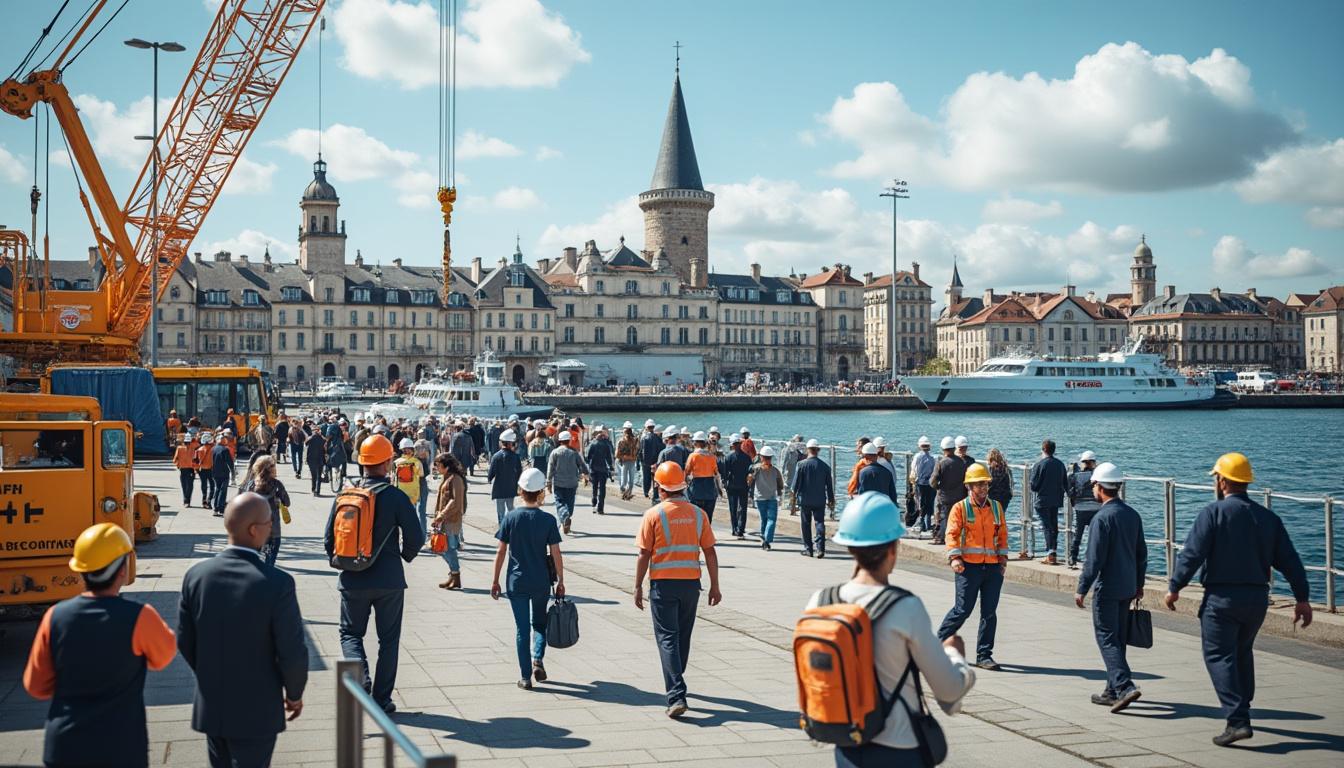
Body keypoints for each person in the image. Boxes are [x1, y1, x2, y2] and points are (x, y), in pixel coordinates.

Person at [808, 492, 976, 768]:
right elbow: (948, 692)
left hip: (846, 747)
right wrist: (955, 654)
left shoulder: (821, 601)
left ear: (849, 547)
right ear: (893, 547)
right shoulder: (905, 608)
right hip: (899, 749)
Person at [1164, 452, 1312, 748]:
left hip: (1221, 599)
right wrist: (1302, 598)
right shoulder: (1267, 518)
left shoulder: (1213, 513)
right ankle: (1244, 705)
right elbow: (1290, 561)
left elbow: (1192, 554)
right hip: (1257, 599)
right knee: (1242, 652)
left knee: (1219, 655)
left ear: (1222, 481)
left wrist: (1175, 586)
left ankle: (1237, 720)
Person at [23, 524, 176, 768]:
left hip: (65, 745)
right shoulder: (140, 617)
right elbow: (163, 658)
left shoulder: (55, 617)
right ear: (122, 569)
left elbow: (36, 686)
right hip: (120, 746)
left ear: (79, 570)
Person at [178, 493, 308, 768]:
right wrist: (294, 693)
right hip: (258, 707)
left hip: (213, 703)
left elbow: (185, 640)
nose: (271, 527)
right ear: (253, 530)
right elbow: (292, 649)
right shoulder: (277, 583)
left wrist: (209, 673)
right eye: (269, 522)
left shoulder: (196, 576)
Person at [323, 434, 423, 714]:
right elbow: (416, 537)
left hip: (352, 579)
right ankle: (382, 699)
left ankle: (361, 679)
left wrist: (345, 562)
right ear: (388, 462)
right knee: (388, 641)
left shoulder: (346, 495)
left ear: (362, 463)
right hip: (389, 579)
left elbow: (328, 540)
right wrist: (404, 555)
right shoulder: (396, 497)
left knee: (350, 635)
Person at [634, 462, 722, 718]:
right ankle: (677, 676)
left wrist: (637, 586)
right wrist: (715, 586)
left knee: (667, 638)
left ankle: (676, 694)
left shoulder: (653, 515)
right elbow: (710, 551)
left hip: (663, 585)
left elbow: (643, 554)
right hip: (690, 585)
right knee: (682, 636)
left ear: (660, 488)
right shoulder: (698, 514)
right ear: (682, 486)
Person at [1072, 462, 1146, 713]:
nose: (1093, 489)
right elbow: (1141, 554)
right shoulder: (1132, 515)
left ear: (1100, 487)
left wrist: (1082, 588)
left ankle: (1124, 686)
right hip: (1127, 586)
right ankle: (1111, 690)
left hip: (1108, 587)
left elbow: (1094, 560)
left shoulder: (1101, 518)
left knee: (1106, 637)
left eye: (1093, 485)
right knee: (1118, 638)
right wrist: (1139, 584)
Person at [491, 467, 565, 689]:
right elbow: (556, 553)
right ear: (541, 492)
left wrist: (495, 580)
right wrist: (561, 580)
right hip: (540, 580)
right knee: (539, 623)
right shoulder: (548, 520)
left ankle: (525, 677)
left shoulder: (510, 517)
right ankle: (537, 659)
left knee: (522, 629)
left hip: (517, 581)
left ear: (520, 491)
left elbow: (501, 551)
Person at [937, 463, 1009, 671]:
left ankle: (984, 655)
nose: (983, 488)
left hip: (992, 568)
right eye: (978, 484)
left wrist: (1003, 560)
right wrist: (955, 558)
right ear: (969, 486)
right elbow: (951, 534)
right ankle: (937, 643)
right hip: (968, 567)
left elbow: (1002, 535)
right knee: (962, 610)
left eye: (985, 484)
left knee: (989, 613)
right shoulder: (960, 508)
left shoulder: (996, 507)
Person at [792, 439, 835, 556]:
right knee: (819, 522)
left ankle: (809, 549)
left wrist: (793, 499)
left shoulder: (801, 465)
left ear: (807, 450)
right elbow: (829, 486)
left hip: (805, 499)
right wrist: (831, 500)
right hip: (820, 499)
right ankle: (820, 549)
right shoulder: (825, 467)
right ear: (818, 450)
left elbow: (795, 485)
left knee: (806, 524)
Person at [1029, 439, 1069, 565]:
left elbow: (1034, 486)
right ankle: (1053, 552)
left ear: (1043, 450)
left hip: (1043, 500)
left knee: (1047, 527)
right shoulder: (1060, 464)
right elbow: (1065, 483)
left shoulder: (1039, 465)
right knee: (1054, 526)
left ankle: (1050, 554)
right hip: (1056, 500)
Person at [432, 453, 467, 590]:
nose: (436, 468)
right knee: (443, 548)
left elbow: (455, 501)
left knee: (448, 549)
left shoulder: (455, 479)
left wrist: (442, 515)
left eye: (438, 465)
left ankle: (455, 576)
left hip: (451, 519)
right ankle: (453, 575)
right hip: (444, 519)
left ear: (446, 466)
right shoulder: (447, 477)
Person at [546, 430, 590, 534]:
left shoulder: (555, 452)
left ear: (560, 441)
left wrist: (548, 482)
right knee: (570, 503)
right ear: (569, 440)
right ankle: (566, 518)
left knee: (559, 502)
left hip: (559, 483)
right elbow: (582, 465)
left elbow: (550, 468)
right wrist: (586, 474)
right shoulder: (574, 453)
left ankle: (564, 517)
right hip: (572, 483)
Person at [1067, 451, 1101, 568]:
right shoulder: (1098, 476)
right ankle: (1095, 559)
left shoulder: (1076, 476)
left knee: (1078, 535)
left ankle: (1073, 558)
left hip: (1080, 509)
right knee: (1096, 536)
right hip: (1096, 509)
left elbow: (1070, 491)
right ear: (1094, 462)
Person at [929, 437, 966, 545]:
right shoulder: (962, 462)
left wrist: (938, 487)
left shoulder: (941, 463)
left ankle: (942, 538)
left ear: (943, 449)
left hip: (945, 496)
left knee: (944, 517)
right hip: (959, 495)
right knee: (957, 518)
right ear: (954, 448)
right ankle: (956, 538)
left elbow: (932, 481)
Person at [748, 446, 784, 550]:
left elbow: (749, 481)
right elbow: (781, 484)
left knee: (764, 519)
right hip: (772, 498)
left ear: (761, 457)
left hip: (760, 498)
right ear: (771, 457)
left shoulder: (756, 469)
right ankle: (766, 540)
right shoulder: (775, 471)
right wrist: (780, 493)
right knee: (771, 519)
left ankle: (764, 539)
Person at [684, 431, 721, 524]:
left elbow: (686, 472)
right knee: (708, 518)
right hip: (710, 488)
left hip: (697, 488)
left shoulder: (693, 456)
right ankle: (706, 532)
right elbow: (716, 473)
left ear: (696, 443)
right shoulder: (712, 457)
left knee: (695, 517)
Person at [720, 433, 753, 537]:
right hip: (743, 485)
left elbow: (725, 473)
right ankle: (741, 529)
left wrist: (725, 484)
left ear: (732, 445)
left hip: (732, 486)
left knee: (733, 508)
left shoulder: (728, 457)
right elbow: (750, 472)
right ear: (740, 443)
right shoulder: (747, 457)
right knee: (743, 508)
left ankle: (735, 529)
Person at [489, 429, 524, 526]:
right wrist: (518, 482)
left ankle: (502, 526)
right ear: (511, 443)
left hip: (499, 487)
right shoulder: (515, 457)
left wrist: (489, 478)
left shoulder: (496, 456)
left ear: (501, 443)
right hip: (511, 486)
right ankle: (511, 524)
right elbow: (519, 471)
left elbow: (491, 472)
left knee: (500, 509)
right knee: (510, 507)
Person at [852, 442, 898, 507]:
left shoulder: (862, 473)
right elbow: (893, 495)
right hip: (884, 507)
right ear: (876, 456)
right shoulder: (887, 472)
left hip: (869, 508)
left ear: (865, 456)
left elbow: (861, 494)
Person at [585, 425, 615, 514]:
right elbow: (609, 458)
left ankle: (594, 501)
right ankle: (600, 508)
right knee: (602, 488)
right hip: (603, 469)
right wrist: (611, 466)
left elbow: (588, 457)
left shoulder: (592, 444)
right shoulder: (606, 444)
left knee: (594, 487)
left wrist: (588, 463)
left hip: (593, 469)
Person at [910, 436, 937, 536]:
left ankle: (922, 524)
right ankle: (928, 524)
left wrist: (913, 482)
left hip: (920, 483)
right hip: (930, 484)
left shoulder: (917, 457)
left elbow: (913, 470)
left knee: (921, 503)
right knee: (930, 503)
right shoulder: (934, 457)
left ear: (919, 446)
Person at [393, 438, 424, 517]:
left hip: (400, 493)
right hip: (413, 494)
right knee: (412, 515)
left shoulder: (396, 462)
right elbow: (421, 474)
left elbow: (393, 478)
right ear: (412, 449)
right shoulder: (417, 462)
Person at [211, 431, 236, 516]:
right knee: (223, 490)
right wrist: (232, 471)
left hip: (214, 472)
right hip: (224, 473)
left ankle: (215, 508)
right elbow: (230, 462)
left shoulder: (213, 449)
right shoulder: (225, 450)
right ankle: (220, 509)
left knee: (217, 489)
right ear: (222, 440)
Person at [174, 432, 200, 507]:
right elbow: (198, 444)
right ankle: (187, 501)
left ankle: (186, 500)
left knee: (184, 486)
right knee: (189, 486)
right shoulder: (193, 447)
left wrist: (178, 465)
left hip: (183, 469)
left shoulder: (180, 448)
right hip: (190, 469)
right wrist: (194, 439)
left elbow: (175, 459)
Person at [616, 422, 639, 500]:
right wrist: (632, 457)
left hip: (624, 461)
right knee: (631, 480)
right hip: (631, 461)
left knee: (624, 479)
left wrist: (625, 457)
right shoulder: (635, 440)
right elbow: (637, 451)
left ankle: (624, 491)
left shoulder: (621, 441)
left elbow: (617, 455)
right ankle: (628, 493)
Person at [639, 419, 662, 498]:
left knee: (646, 478)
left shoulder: (644, 438)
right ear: (653, 427)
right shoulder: (658, 438)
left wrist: (640, 461)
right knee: (655, 478)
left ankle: (646, 492)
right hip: (655, 461)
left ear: (646, 427)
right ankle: (655, 494)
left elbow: (641, 450)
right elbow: (660, 450)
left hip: (646, 462)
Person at [304, 427, 327, 496]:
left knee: (313, 475)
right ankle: (317, 491)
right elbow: (325, 446)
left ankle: (314, 489)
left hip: (311, 459)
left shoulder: (311, 438)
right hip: (320, 459)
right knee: (318, 476)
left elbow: (305, 443)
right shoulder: (322, 439)